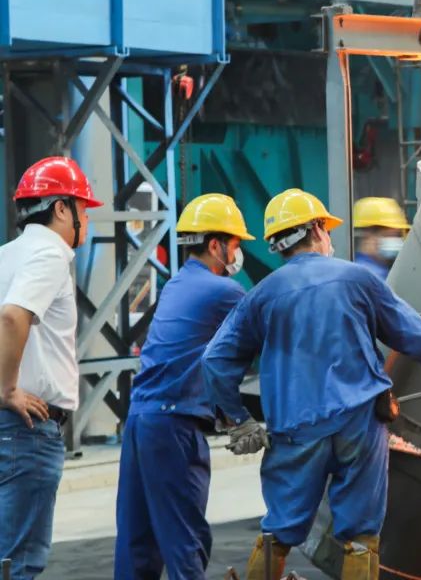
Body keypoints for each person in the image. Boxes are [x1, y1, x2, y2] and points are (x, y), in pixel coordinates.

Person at [202, 189, 421, 580]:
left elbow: (214, 360)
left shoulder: (262, 296)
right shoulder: (357, 278)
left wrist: (239, 420)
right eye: (326, 229)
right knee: (360, 533)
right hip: (358, 426)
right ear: (316, 230)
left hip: (295, 430)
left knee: (278, 529)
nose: (328, 237)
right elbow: (411, 330)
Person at [114, 193, 254, 580]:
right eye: (235, 244)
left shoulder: (176, 285)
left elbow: (189, 356)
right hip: (174, 428)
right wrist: (242, 416)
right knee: (185, 542)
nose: (237, 254)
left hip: (141, 422)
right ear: (216, 245)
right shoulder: (225, 291)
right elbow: (269, 339)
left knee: (138, 544)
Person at [0, 156, 102, 578]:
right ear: (61, 208)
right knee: (18, 562)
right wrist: (7, 389)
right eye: (84, 209)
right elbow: (12, 317)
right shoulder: (49, 254)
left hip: (9, 429)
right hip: (26, 431)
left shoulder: (7, 255)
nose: (87, 220)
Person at [352, 197, 410, 281]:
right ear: (368, 236)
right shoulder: (371, 275)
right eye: (389, 236)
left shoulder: (383, 268)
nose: (395, 241)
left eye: (397, 236)